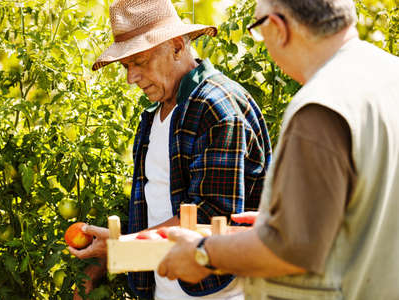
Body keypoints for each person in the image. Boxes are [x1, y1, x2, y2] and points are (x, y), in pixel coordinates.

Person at [157, 0, 399, 299]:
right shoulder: (389, 75)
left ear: (278, 27)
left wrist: (202, 254)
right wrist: (288, 217)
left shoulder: (320, 107)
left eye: (258, 29)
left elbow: (292, 248)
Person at [68, 0, 272, 299]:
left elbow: (209, 216)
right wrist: (114, 247)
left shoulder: (216, 106)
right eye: (126, 66)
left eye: (140, 62)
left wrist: (121, 246)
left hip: (219, 292)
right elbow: (163, 210)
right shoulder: (155, 115)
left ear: (177, 46)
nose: (130, 77)